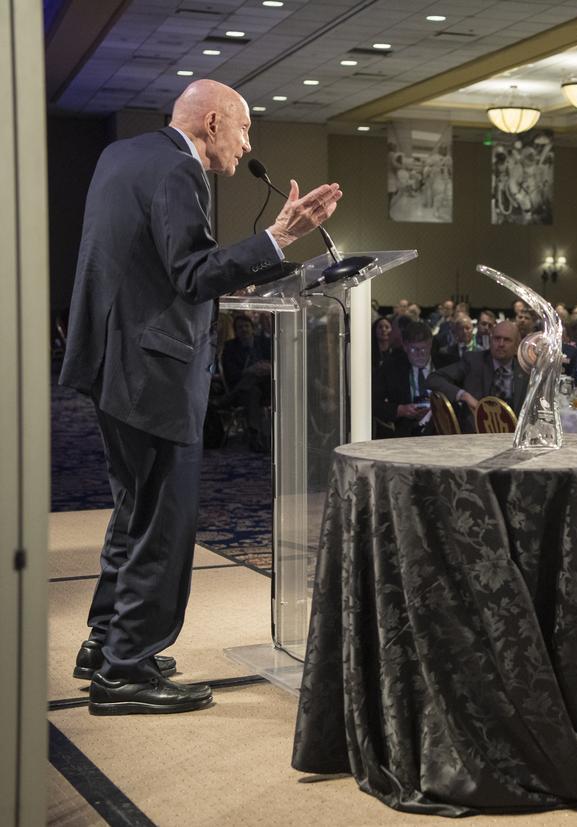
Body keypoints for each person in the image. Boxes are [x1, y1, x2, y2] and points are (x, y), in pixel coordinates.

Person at [59, 79, 342, 714]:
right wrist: (278, 239)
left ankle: (107, 643)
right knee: (164, 521)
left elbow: (150, 263)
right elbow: (191, 274)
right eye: (243, 130)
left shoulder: (124, 156)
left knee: (135, 511)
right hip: (152, 370)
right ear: (212, 123)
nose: (245, 146)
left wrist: (269, 246)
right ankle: (126, 673)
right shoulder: (179, 174)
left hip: (113, 361)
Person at [426, 320, 528, 430]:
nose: (501, 344)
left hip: (514, 435)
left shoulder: (526, 370)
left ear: (517, 345)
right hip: (476, 433)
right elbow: (434, 378)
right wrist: (463, 395)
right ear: (490, 340)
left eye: (507, 340)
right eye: (497, 338)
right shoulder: (473, 361)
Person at [372, 320, 438, 438]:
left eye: (424, 348)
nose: (420, 354)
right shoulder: (391, 368)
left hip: (441, 431)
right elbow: (373, 403)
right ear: (405, 346)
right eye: (414, 349)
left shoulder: (446, 364)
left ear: (431, 344)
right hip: (406, 433)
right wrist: (400, 410)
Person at [218, 314, 272, 453]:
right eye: (240, 327)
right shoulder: (230, 347)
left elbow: (277, 363)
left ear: (252, 328)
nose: (244, 330)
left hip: (268, 385)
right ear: (236, 331)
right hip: (245, 390)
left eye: (246, 326)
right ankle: (256, 436)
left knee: (256, 380)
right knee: (252, 390)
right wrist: (249, 371)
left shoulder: (264, 342)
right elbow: (231, 374)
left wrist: (266, 367)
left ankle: (227, 399)